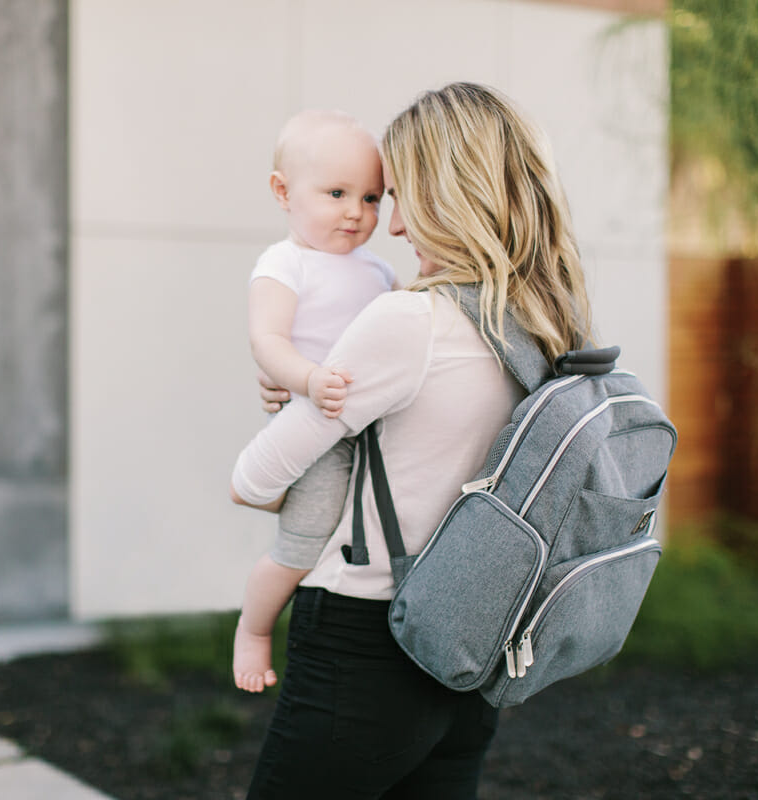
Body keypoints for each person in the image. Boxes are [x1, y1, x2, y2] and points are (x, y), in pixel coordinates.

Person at [230, 82, 593, 798]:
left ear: (448, 197)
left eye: (398, 198)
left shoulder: (409, 321)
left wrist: (293, 397)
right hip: (472, 634)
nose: (390, 226)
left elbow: (253, 479)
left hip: (366, 636)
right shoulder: (543, 320)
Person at [233, 109, 400, 694]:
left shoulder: (379, 271)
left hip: (376, 430)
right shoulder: (286, 263)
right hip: (321, 424)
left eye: (373, 198)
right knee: (301, 543)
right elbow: (267, 340)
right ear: (283, 191)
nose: (357, 211)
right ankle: (254, 630)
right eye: (337, 193)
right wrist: (306, 379)